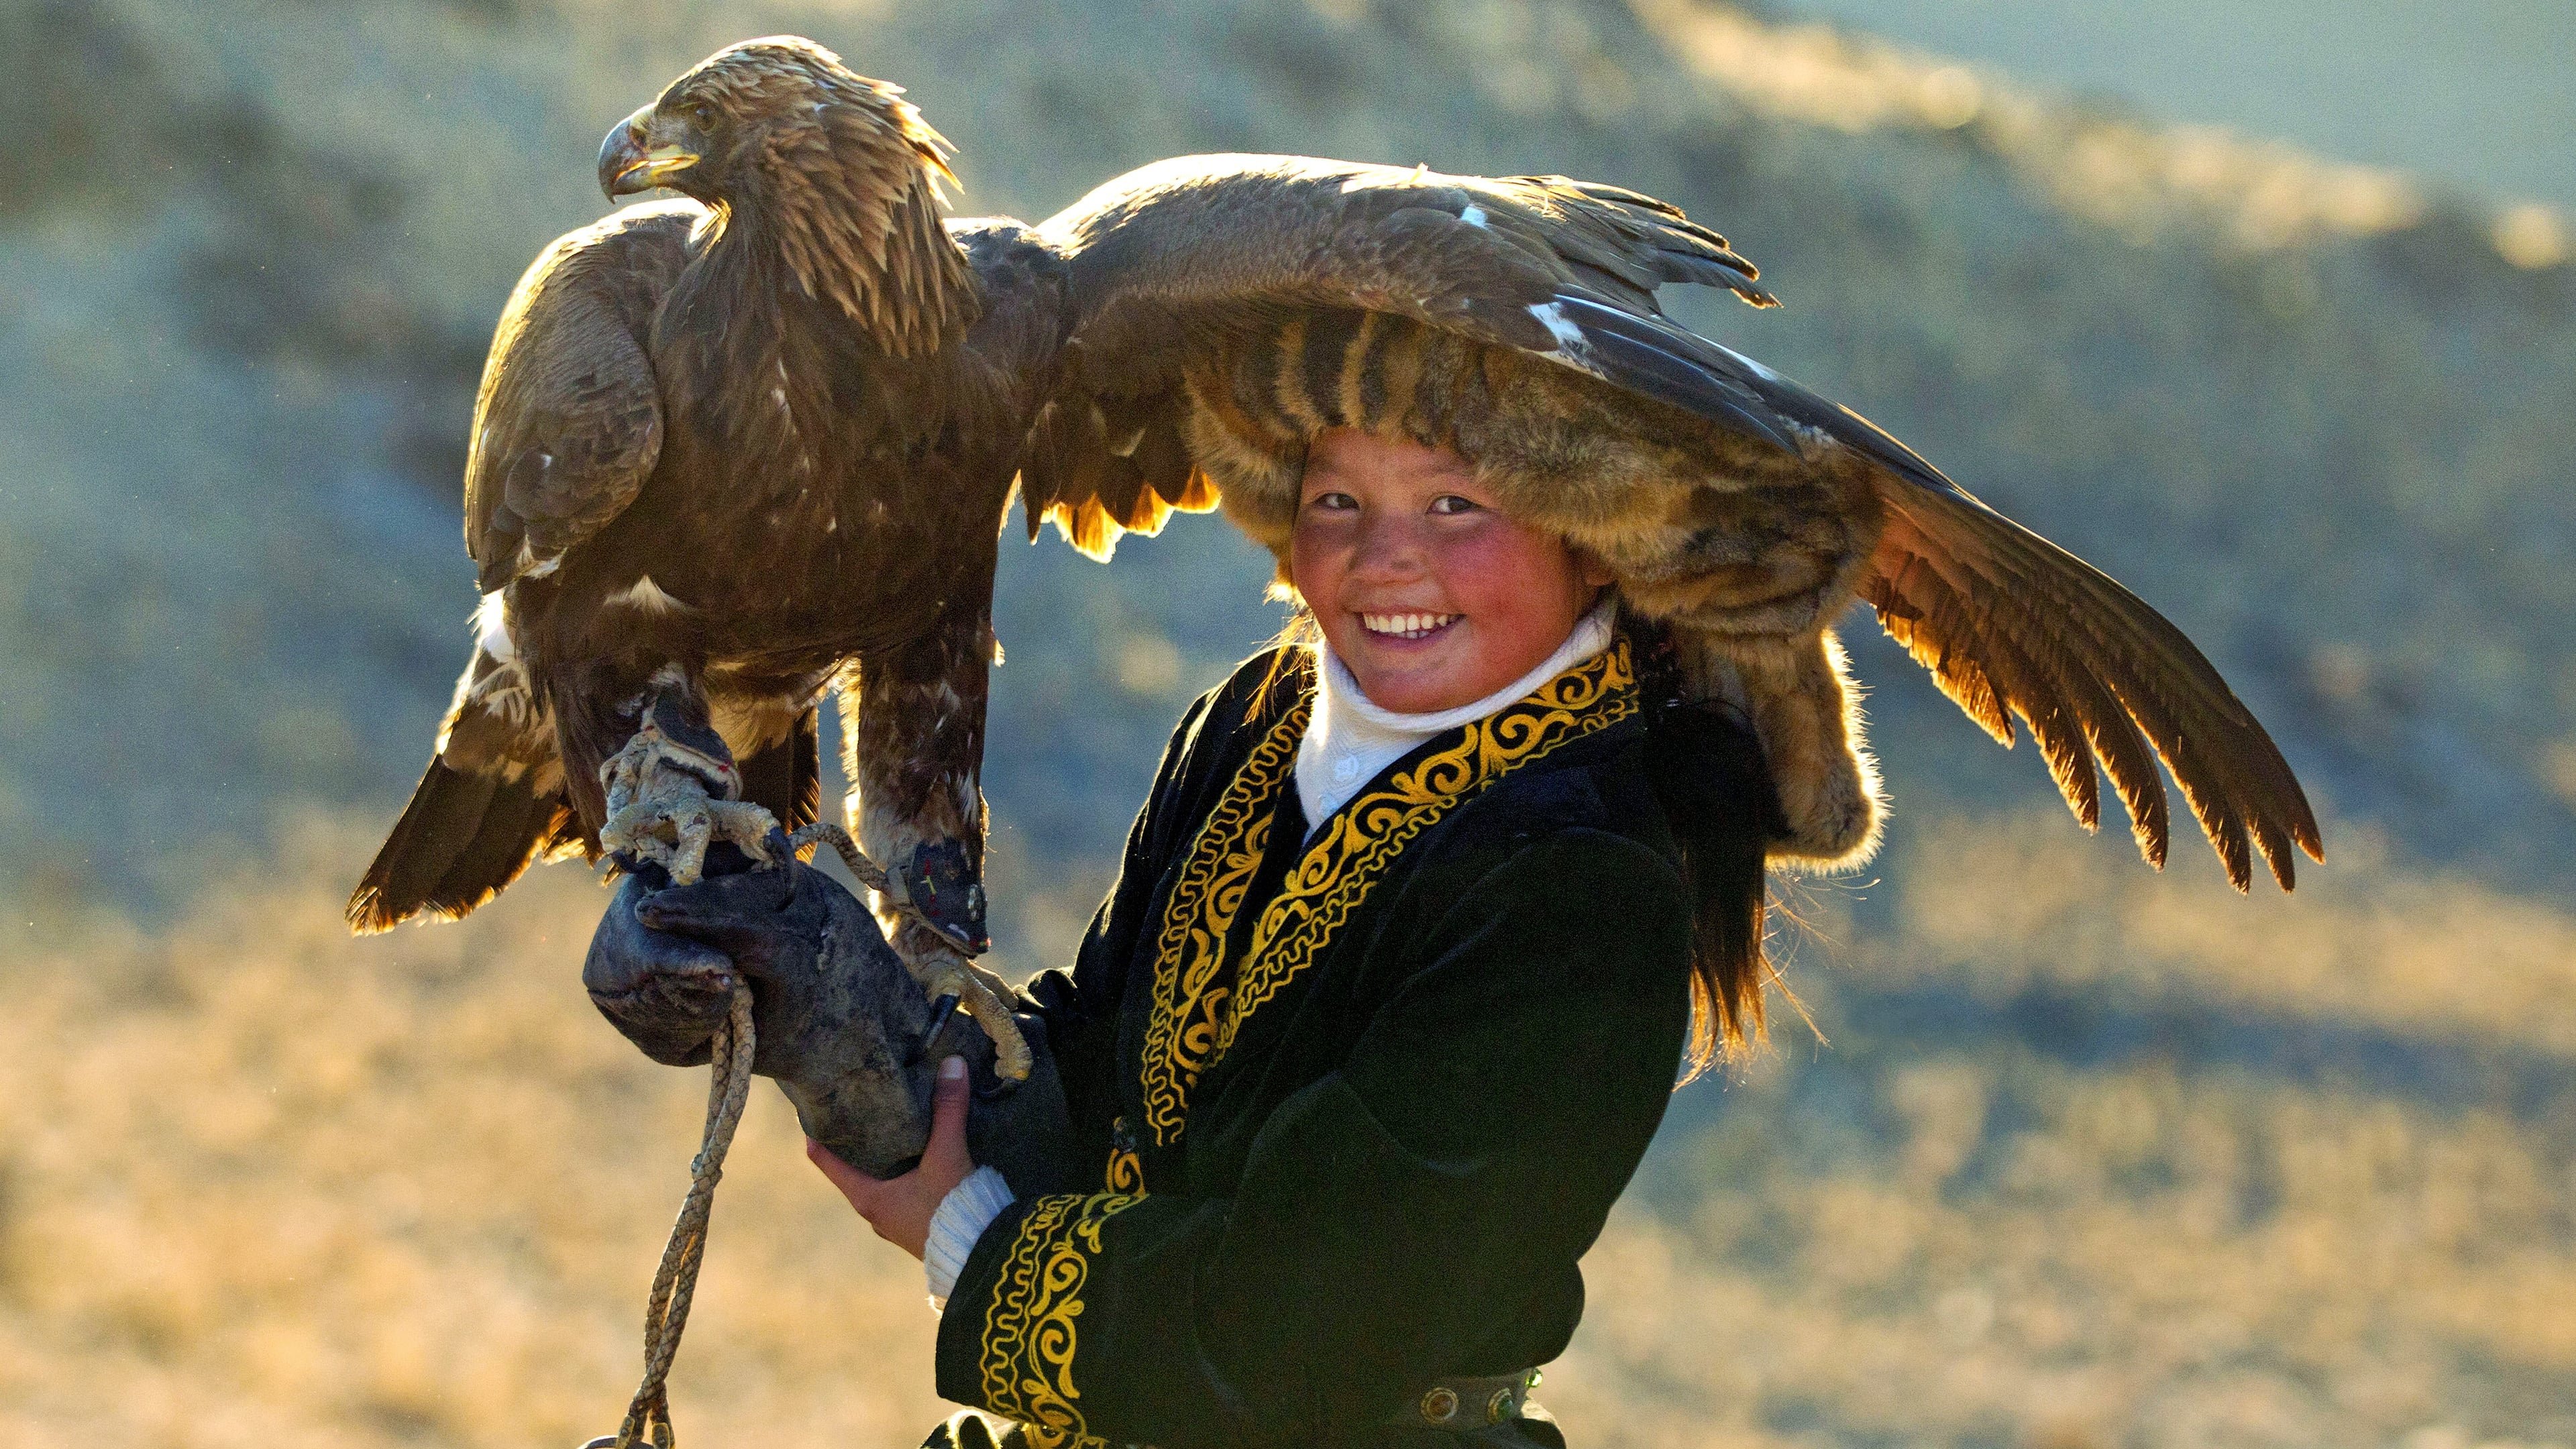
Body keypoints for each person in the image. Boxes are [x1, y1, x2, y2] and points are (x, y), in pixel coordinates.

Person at [592, 425, 1785, 1448]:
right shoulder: (1259, 716)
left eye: (1456, 502)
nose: (1384, 556)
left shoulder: (1583, 879)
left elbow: (1314, 1326)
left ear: (1595, 531)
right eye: (1336, 500)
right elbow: (1103, 1046)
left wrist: (972, 1239)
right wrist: (817, 996)